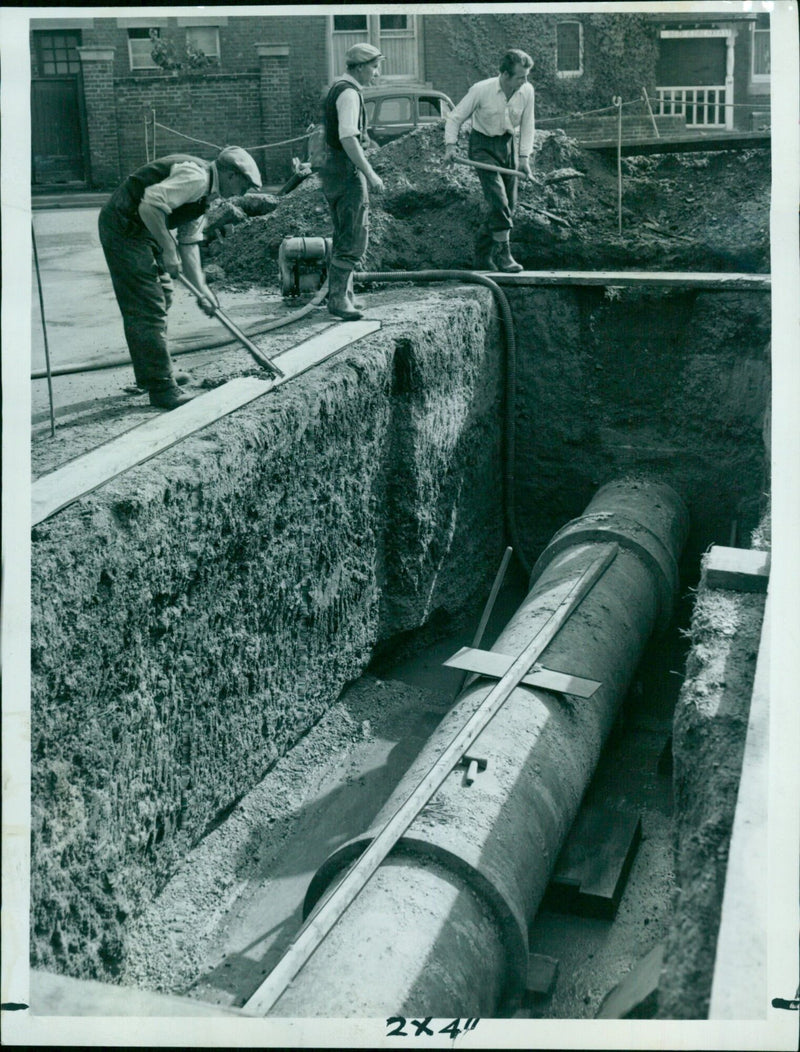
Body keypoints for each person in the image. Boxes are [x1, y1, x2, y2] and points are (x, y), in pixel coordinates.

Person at [98, 146, 262, 409]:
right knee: (148, 306)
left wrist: (202, 290)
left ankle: (151, 374)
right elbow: (150, 205)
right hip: (123, 228)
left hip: (142, 229)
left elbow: (189, 242)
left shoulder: (208, 195)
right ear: (231, 175)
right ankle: (162, 388)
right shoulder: (196, 178)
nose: (245, 192)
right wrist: (167, 248)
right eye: (245, 185)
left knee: (162, 296)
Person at [444, 49, 535, 273]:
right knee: (499, 201)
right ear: (504, 74)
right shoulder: (481, 90)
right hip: (482, 146)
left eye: (526, 76)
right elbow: (455, 117)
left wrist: (524, 158)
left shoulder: (527, 91)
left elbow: (527, 124)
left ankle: (482, 255)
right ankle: (504, 256)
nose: (525, 81)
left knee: (508, 207)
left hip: (507, 146)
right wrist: (450, 147)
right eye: (520, 77)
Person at [316, 43, 385, 321]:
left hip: (333, 169)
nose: (377, 73)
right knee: (355, 234)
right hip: (345, 171)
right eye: (373, 67)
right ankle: (338, 299)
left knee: (344, 231)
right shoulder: (349, 93)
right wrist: (369, 172)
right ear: (358, 67)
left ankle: (346, 295)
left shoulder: (338, 87)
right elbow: (348, 137)